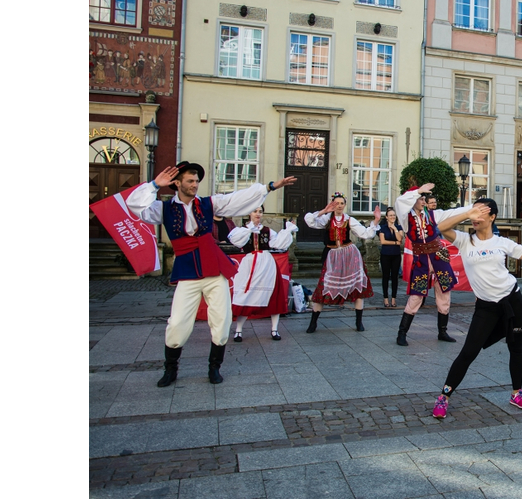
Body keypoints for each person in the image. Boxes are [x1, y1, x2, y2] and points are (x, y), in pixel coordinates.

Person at [126, 162, 296, 386]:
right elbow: (134, 205)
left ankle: (214, 368)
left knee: (222, 319)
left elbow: (236, 200)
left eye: (197, 181)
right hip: (187, 271)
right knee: (177, 322)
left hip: (214, 269)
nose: (195, 184)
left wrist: (269, 187)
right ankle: (170, 369)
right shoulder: (163, 209)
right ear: (177, 183)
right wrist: (154, 185)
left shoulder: (208, 204)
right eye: (190, 180)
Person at [429, 200, 522, 419]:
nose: (475, 217)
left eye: (481, 212)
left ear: (492, 217)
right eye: (474, 212)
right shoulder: (465, 241)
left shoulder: (502, 242)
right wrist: (466, 213)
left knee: (516, 347)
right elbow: (440, 229)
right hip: (486, 307)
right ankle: (444, 396)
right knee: (468, 353)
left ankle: (517, 393)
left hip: (512, 300)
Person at [394, 183, 471, 346]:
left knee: (444, 294)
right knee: (416, 296)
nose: (423, 201)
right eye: (420, 198)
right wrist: (416, 191)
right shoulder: (405, 218)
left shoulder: (432, 215)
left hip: (438, 258)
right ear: (413, 200)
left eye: (424, 198)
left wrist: (473, 208)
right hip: (421, 260)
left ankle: (442, 331)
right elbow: (400, 202)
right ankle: (402, 333)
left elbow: (452, 212)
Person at [303, 193, 382, 333]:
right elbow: (309, 220)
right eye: (336, 203)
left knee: (357, 288)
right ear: (332, 204)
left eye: (341, 203)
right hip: (332, 256)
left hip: (349, 255)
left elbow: (365, 233)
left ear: (345, 205)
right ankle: (313, 322)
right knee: (323, 288)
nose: (339, 206)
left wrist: (375, 221)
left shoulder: (349, 219)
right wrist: (323, 211)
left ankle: (359, 322)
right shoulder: (326, 219)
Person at [228, 207, 298, 342]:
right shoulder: (242, 230)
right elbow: (236, 241)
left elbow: (278, 244)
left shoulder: (267, 231)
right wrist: (249, 230)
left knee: (273, 296)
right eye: (255, 211)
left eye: (260, 211)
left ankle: (274, 329)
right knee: (245, 295)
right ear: (249, 213)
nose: (258, 214)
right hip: (249, 264)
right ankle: (238, 330)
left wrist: (288, 231)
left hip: (267, 264)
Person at [378, 207, 404, 308]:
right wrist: (394, 242)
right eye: (390, 215)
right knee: (385, 276)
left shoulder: (399, 227)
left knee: (395, 277)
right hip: (385, 254)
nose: (392, 217)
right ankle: (385, 299)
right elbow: (382, 241)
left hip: (396, 255)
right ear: (387, 217)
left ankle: (393, 298)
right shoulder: (383, 228)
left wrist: (395, 229)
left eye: (394, 215)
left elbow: (400, 240)